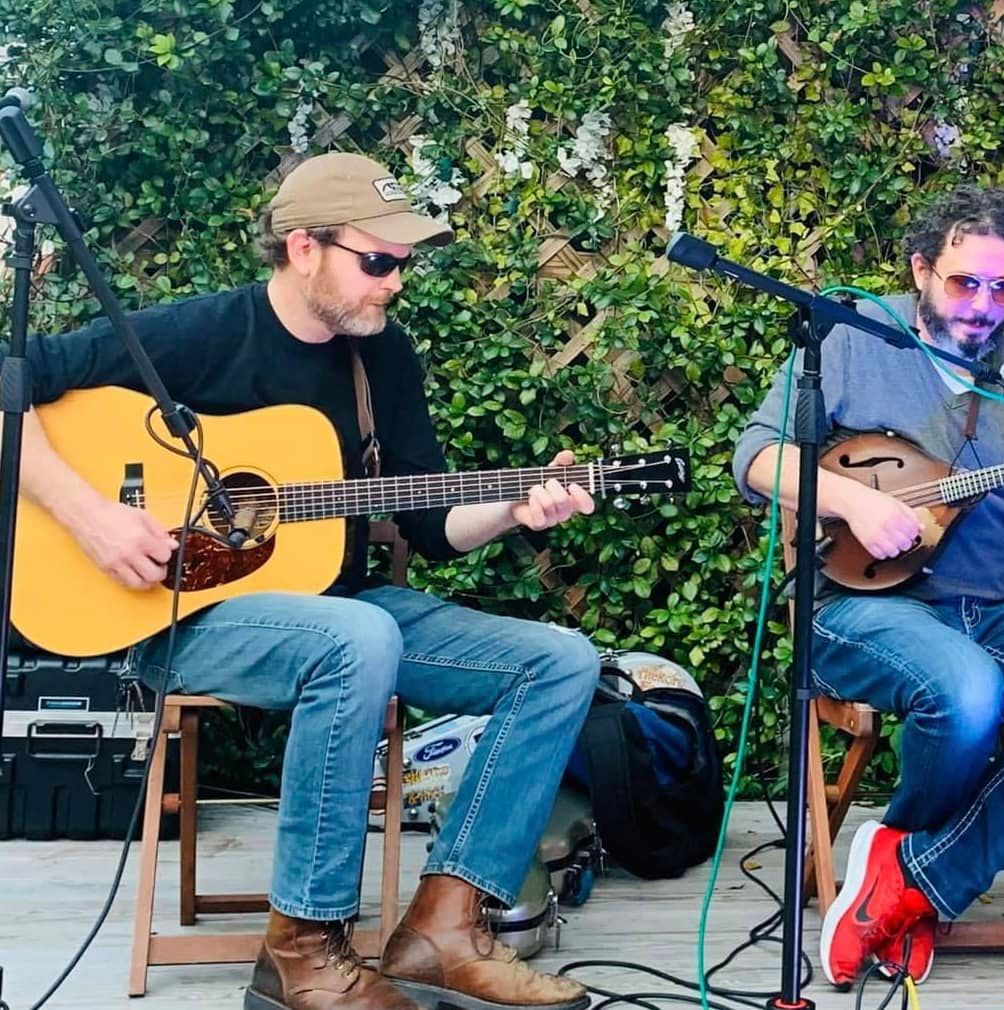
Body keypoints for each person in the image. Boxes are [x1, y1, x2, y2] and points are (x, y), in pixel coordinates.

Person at [20, 152, 599, 1010]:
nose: (396, 281)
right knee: (358, 637)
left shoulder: (383, 361)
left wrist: (514, 508)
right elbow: (7, 385)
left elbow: (431, 527)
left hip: (343, 606)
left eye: (404, 262)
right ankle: (302, 951)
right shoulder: (203, 333)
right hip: (181, 617)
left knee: (560, 658)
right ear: (302, 248)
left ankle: (445, 924)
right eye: (378, 260)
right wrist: (91, 516)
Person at [731, 186, 1004, 988]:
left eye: (1003, 288)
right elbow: (755, 458)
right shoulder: (852, 339)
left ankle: (911, 877)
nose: (983, 305)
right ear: (921, 268)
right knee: (965, 690)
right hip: (856, 606)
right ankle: (915, 889)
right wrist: (853, 500)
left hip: (987, 606)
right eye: (963, 282)